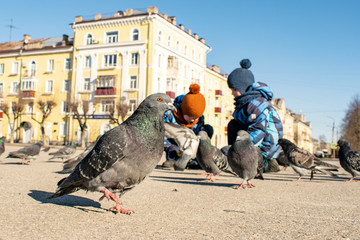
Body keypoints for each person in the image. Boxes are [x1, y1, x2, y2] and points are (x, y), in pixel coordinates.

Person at [227, 59, 283, 170]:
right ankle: (234, 160)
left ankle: (266, 164)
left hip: (266, 149)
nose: (232, 93)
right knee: (233, 124)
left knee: (233, 131)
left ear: (242, 88)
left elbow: (258, 131)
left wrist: (238, 149)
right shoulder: (247, 103)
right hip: (257, 145)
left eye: (234, 89)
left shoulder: (256, 105)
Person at [163, 83, 213, 168]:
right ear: (183, 111)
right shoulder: (171, 114)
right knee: (173, 150)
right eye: (190, 116)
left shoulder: (199, 120)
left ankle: (195, 161)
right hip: (174, 144)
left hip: (190, 146)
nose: (193, 120)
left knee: (207, 129)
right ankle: (173, 160)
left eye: (196, 117)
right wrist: (167, 146)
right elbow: (163, 132)